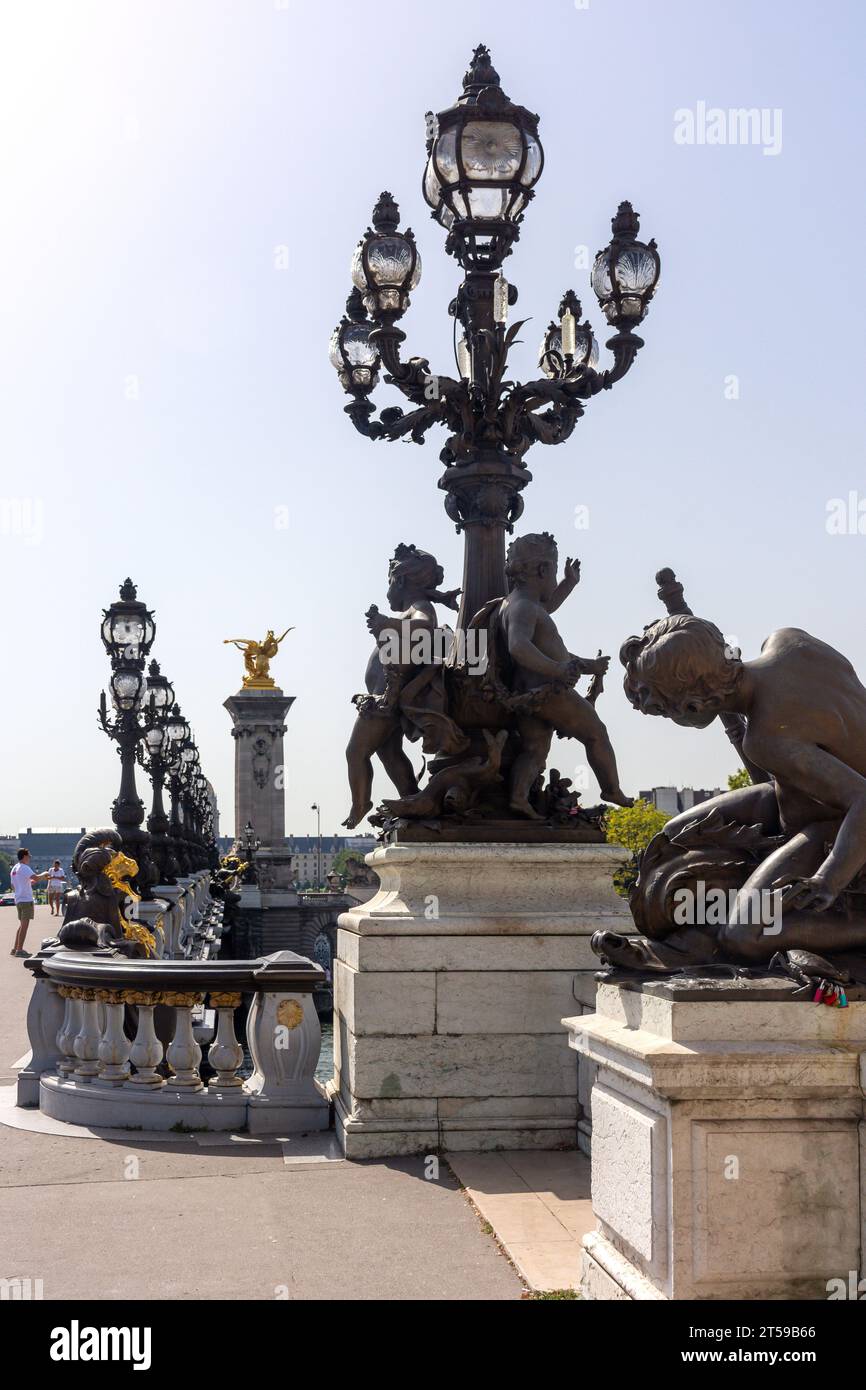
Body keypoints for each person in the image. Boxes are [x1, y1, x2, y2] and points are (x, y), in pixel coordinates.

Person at [10, 848, 50, 956]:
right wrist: (45, 873)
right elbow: (36, 878)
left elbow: (14, 885)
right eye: (29, 855)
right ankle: (20, 950)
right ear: (24, 856)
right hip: (26, 900)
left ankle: (15, 948)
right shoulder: (24, 867)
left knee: (21, 925)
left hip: (18, 899)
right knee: (24, 926)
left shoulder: (14, 868)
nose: (30, 857)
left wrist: (26, 885)